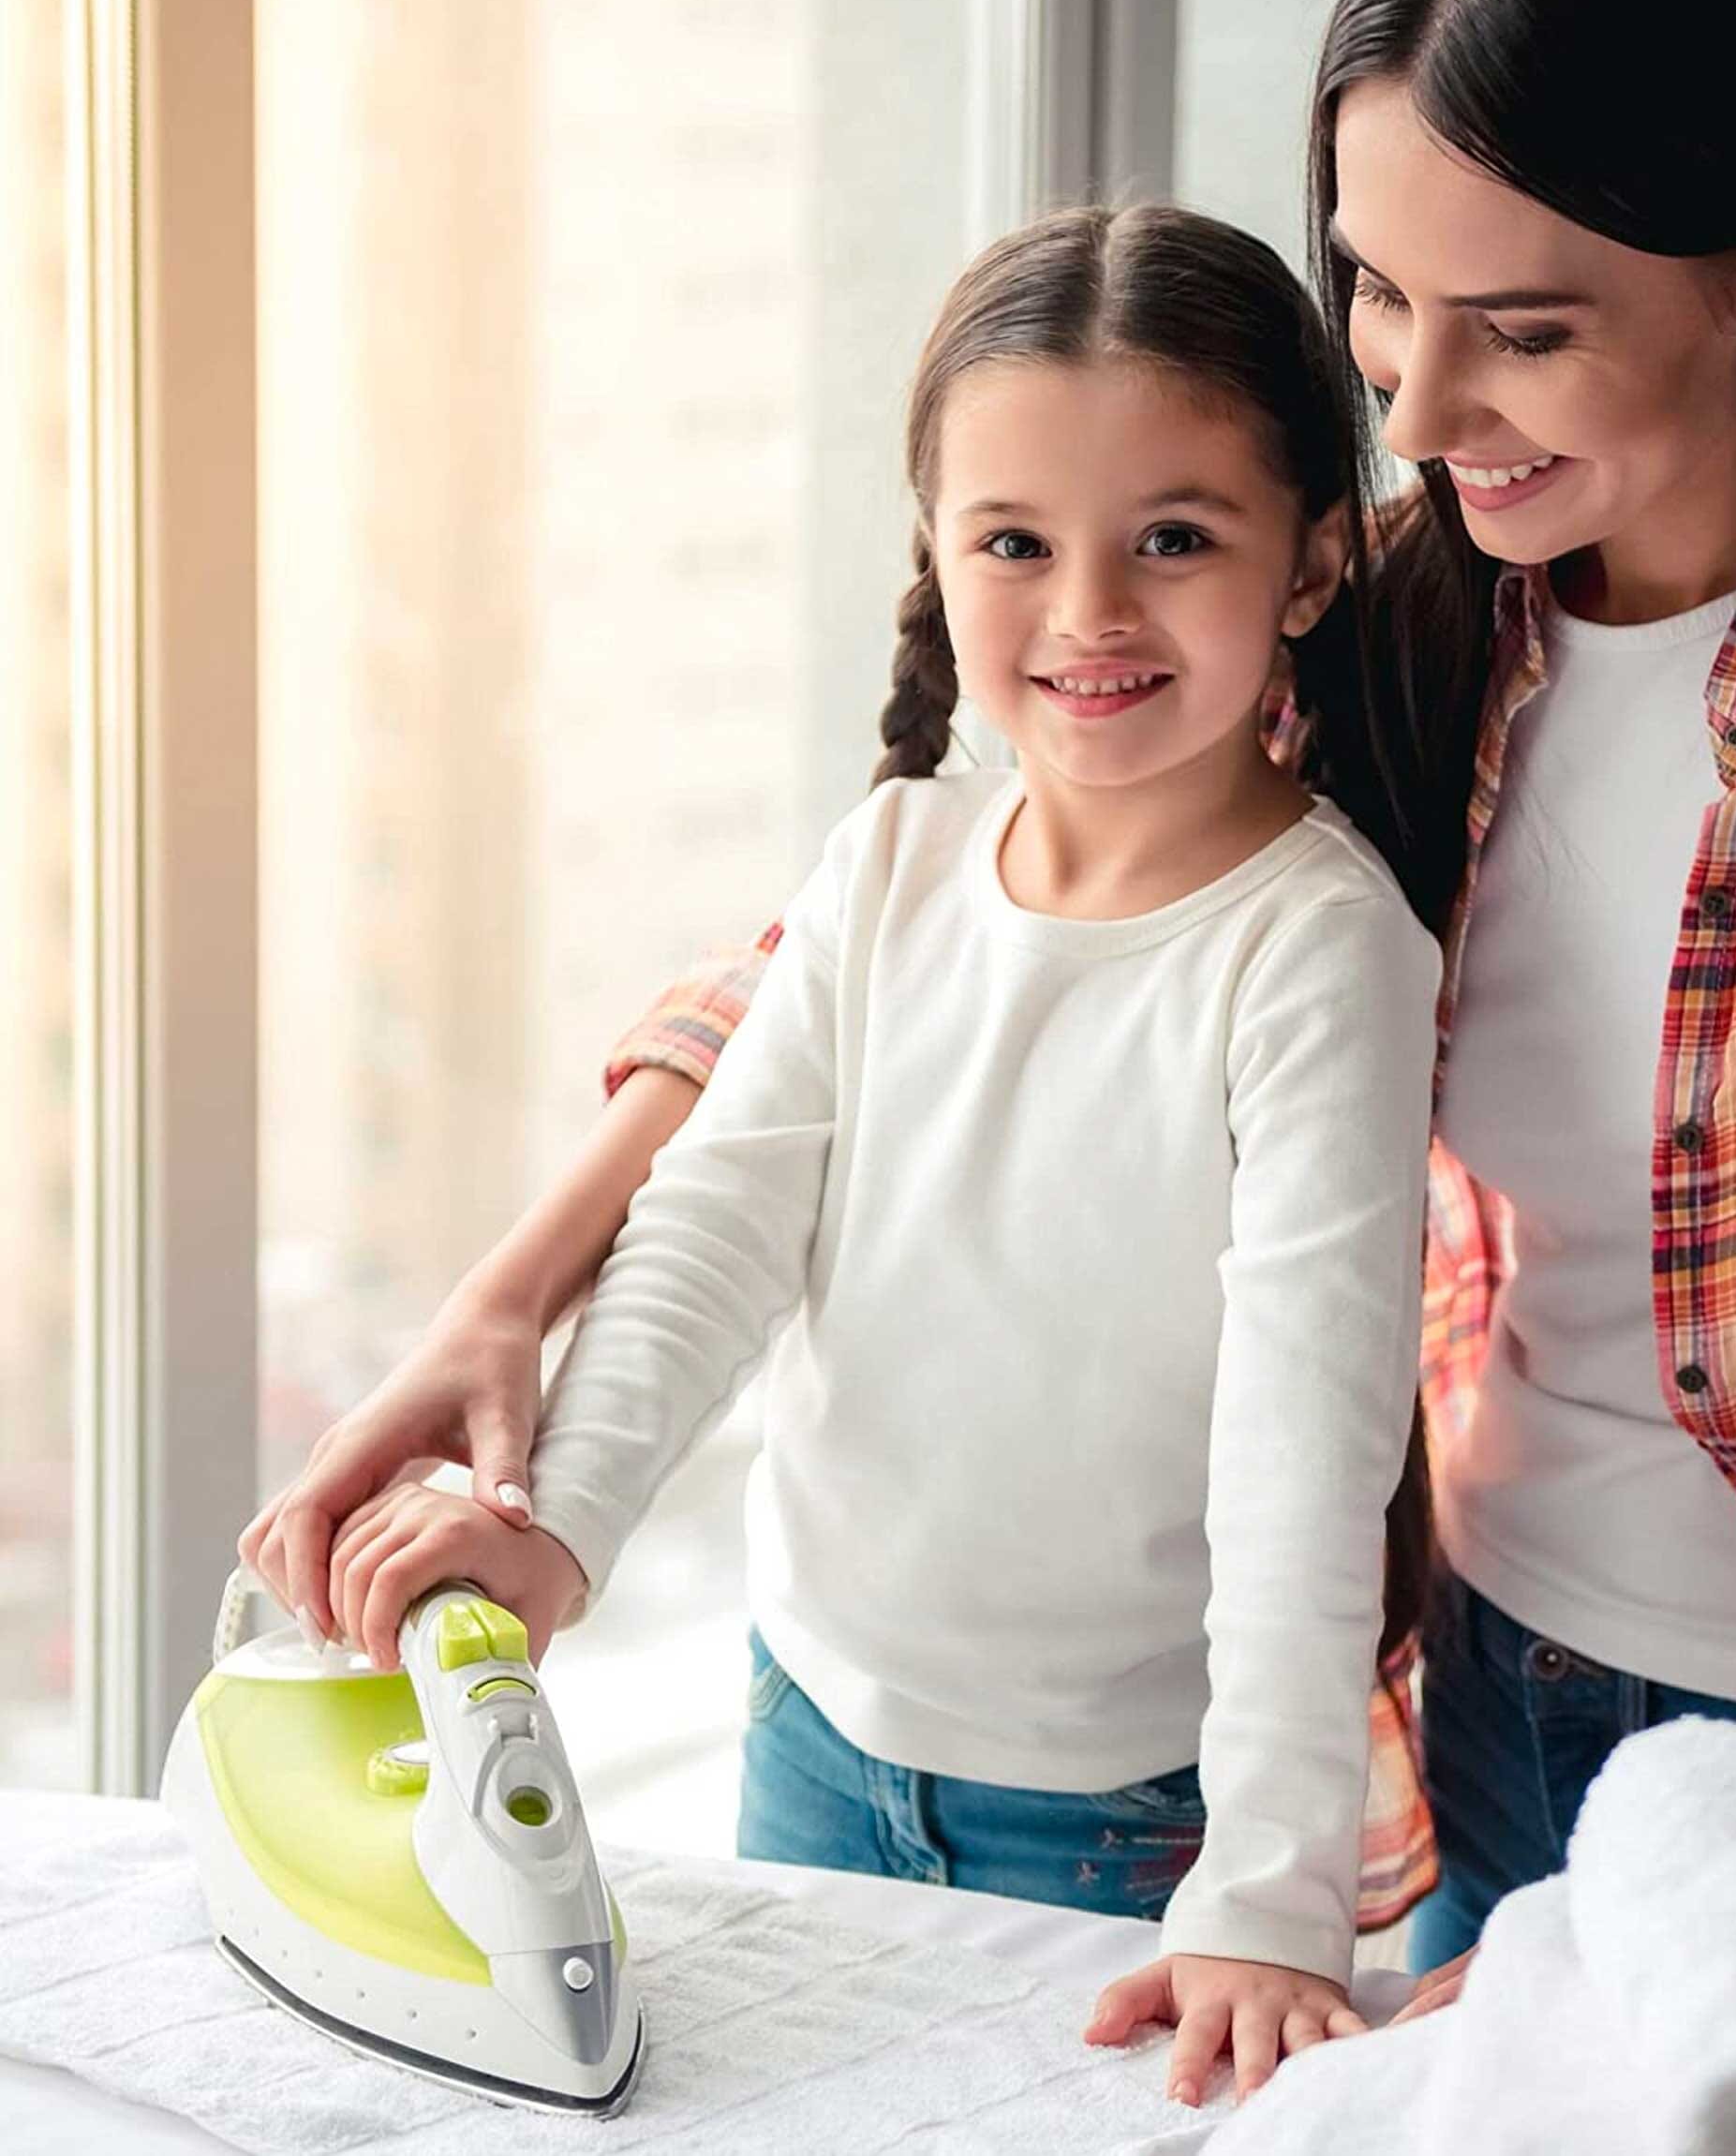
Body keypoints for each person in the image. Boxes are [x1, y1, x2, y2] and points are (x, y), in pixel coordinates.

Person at [247, 0, 1736, 2031]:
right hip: (1495, 1694)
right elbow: (912, 946)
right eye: (1376, 295)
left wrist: (1673, 1919)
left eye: (1518, 326)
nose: (1410, 412)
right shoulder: (1440, 605)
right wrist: (514, 1292)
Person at [288, 201, 1446, 2107]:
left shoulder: (1316, 950)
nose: (1087, 610)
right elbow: (718, 1227)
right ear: (934, 549)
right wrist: (555, 1522)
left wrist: (1266, 1887)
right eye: (1014, 541)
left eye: (1172, 536)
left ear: (1313, 553)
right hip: (804, 1729)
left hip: (1118, 1823)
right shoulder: (889, 863)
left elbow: (1307, 1448)